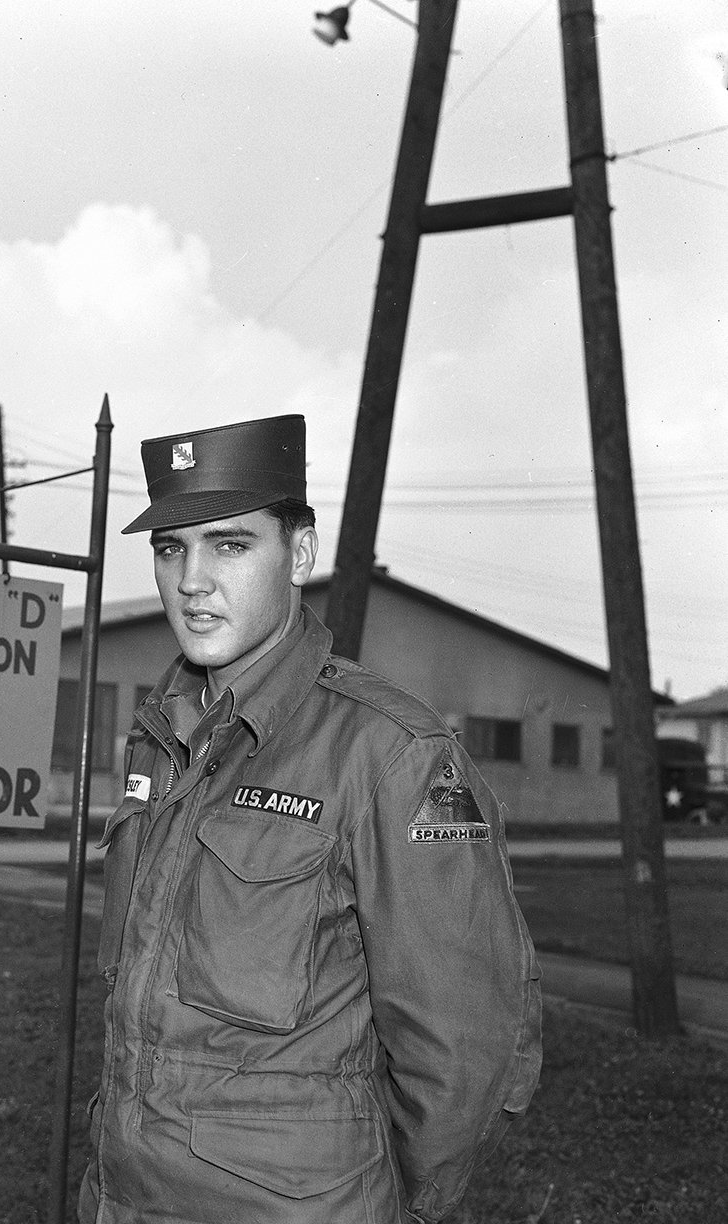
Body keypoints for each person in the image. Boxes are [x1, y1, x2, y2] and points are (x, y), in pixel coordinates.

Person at [78, 415, 541, 1224]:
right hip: (128, 1197)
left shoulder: (391, 752)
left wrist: (398, 1202)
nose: (191, 581)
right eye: (168, 549)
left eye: (229, 546)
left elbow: (465, 1040)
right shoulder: (163, 735)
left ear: (298, 554)